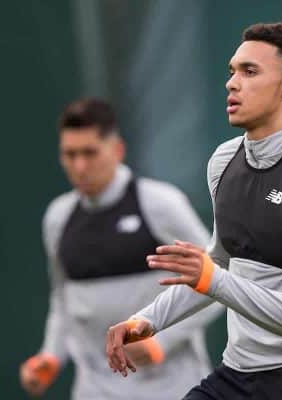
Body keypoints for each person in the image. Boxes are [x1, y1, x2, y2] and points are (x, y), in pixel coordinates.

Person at [106, 22, 282, 399]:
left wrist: (213, 279)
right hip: (237, 374)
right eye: (231, 71)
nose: (232, 83)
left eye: (249, 71)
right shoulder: (223, 162)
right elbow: (220, 264)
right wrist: (147, 320)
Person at [20, 98, 223, 399]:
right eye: (70, 154)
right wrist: (51, 356)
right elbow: (64, 298)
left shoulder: (160, 204)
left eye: (89, 153)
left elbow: (218, 281)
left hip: (170, 387)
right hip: (95, 389)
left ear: (116, 150)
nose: (79, 166)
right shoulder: (58, 218)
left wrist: (160, 341)